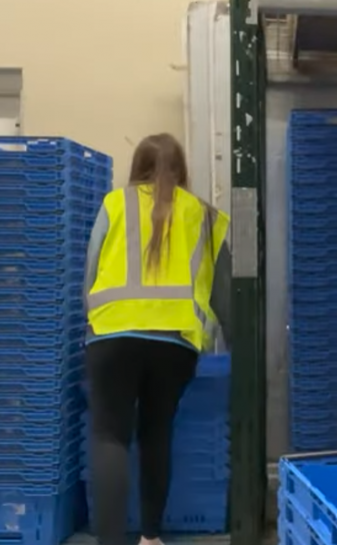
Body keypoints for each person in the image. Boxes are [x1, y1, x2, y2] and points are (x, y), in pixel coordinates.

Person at [84, 133, 231, 545]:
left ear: (137, 167)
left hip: (112, 337)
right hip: (176, 344)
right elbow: (225, 296)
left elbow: (91, 271)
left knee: (109, 435)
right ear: (183, 171)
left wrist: (93, 322)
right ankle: (151, 538)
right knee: (157, 431)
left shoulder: (116, 203)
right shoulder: (204, 214)